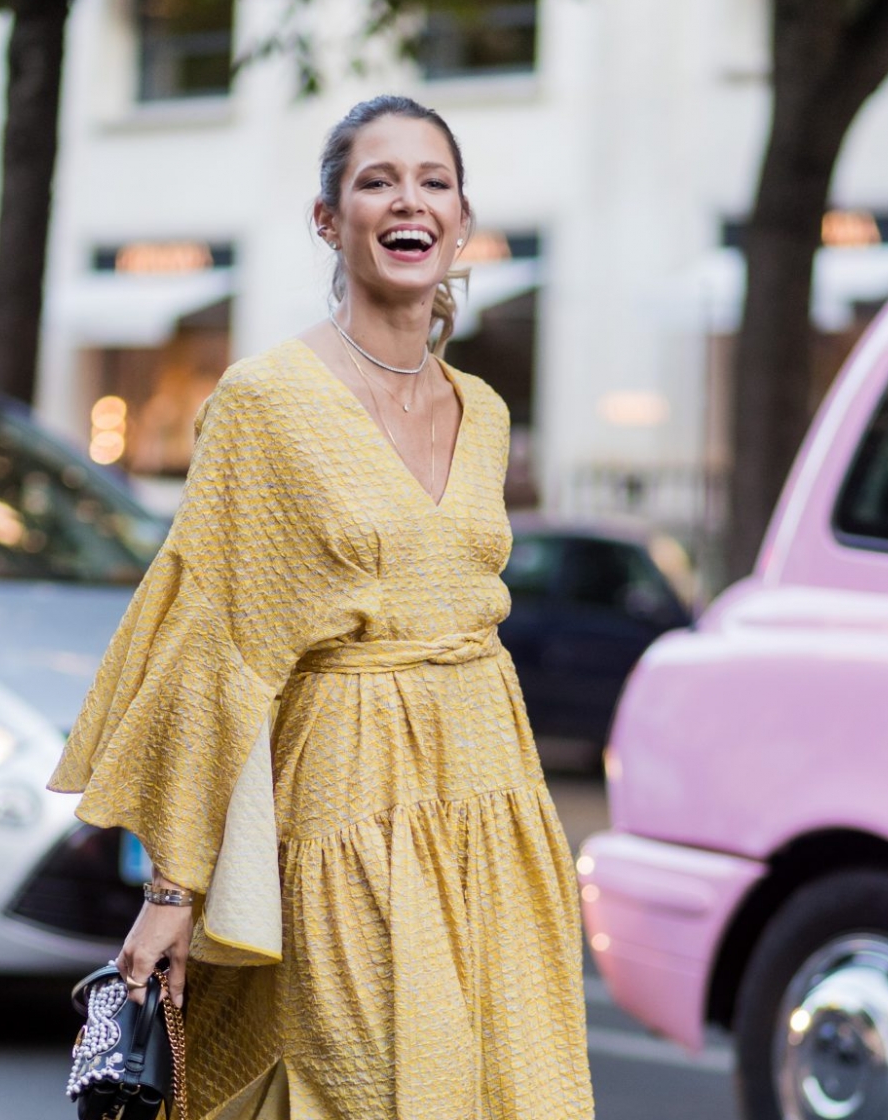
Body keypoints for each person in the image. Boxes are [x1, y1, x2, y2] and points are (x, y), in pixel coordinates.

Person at [50, 94, 595, 1120]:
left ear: (462, 220)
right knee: (367, 1082)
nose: (409, 200)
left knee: (512, 1081)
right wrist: (173, 891)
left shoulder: (485, 413)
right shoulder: (268, 400)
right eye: (376, 179)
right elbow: (215, 644)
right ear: (326, 219)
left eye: (433, 181)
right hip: (345, 796)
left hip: (495, 794)